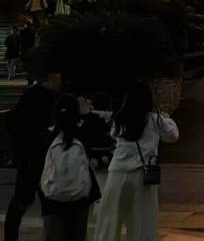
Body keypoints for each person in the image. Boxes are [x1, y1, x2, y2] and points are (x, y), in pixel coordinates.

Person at [93, 81, 178, 241]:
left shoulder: (119, 119)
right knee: (142, 223)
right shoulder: (154, 120)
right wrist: (165, 118)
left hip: (117, 174)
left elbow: (113, 134)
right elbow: (173, 135)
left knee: (110, 222)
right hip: (141, 176)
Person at [3, 71, 61, 241]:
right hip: (40, 157)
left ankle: (11, 237)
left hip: (27, 157)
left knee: (21, 201)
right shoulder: (47, 99)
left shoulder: (30, 97)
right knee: (48, 202)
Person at [39, 94, 100, 241]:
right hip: (79, 197)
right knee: (77, 234)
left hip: (52, 198)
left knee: (54, 234)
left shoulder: (47, 136)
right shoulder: (83, 134)